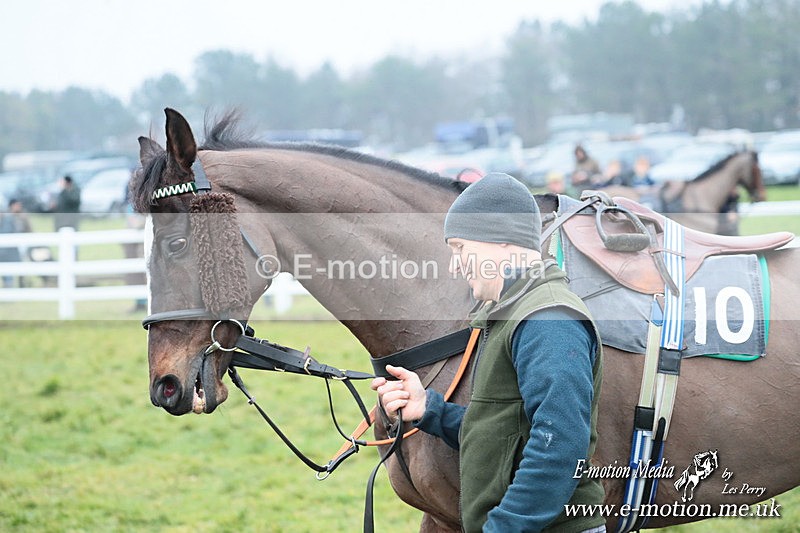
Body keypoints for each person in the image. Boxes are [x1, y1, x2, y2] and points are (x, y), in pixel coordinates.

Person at [371, 173, 606, 532]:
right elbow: (506, 435)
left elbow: (558, 448)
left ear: (502, 242)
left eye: (461, 248)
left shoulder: (547, 320)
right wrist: (430, 410)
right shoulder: (510, 314)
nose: (455, 265)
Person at [0, 198, 32, 288]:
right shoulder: (6, 217)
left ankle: (21, 283)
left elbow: (29, 230)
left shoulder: (22, 217)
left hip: (19, 244)